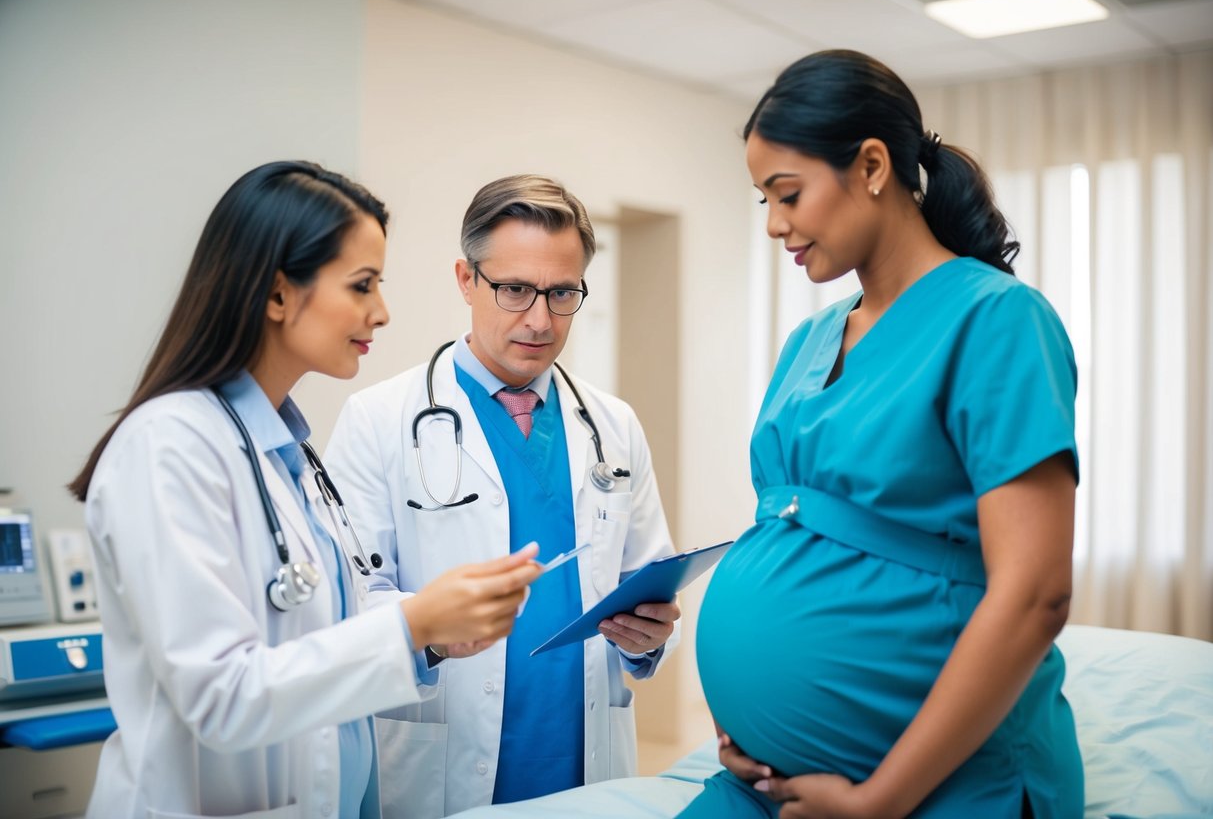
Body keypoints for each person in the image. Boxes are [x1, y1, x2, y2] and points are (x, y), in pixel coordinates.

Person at [67, 161, 541, 819]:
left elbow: (328, 630)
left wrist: (430, 634)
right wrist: (413, 621)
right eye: (361, 285)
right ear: (277, 293)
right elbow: (221, 697)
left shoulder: (289, 457)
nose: (382, 311)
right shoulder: (169, 447)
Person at [683, 50, 1083, 818]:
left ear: (870, 165)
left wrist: (879, 804)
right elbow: (793, 541)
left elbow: (1036, 593)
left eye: (787, 193)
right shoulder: (811, 340)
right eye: (762, 199)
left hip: (931, 790)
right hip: (771, 780)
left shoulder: (995, 319)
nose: (773, 224)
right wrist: (749, 713)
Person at [323, 173, 681, 817]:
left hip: (586, 764)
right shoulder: (377, 419)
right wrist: (434, 628)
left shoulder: (613, 425)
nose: (540, 320)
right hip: (442, 765)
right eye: (515, 289)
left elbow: (647, 581)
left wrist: (649, 636)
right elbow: (351, 608)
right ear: (466, 279)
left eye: (562, 293)